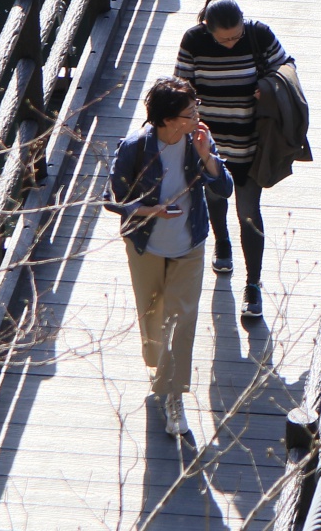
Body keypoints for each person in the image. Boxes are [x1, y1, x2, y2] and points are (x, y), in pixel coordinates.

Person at [103, 76, 232, 438]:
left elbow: (224, 187)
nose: (197, 117)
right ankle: (159, 369)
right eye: (190, 113)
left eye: (195, 110)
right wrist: (150, 210)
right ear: (167, 119)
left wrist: (207, 157)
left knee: (181, 320)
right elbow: (111, 197)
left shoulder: (198, 142)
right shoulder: (134, 148)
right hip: (145, 245)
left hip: (189, 244)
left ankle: (173, 397)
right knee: (152, 318)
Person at [175, 0, 291, 323]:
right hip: (210, 143)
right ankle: (222, 243)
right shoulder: (193, 42)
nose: (231, 43)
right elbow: (181, 85)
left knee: (248, 212)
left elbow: (286, 66)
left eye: (236, 36)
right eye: (224, 39)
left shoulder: (259, 34)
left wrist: (268, 85)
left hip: (252, 142)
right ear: (207, 29)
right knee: (214, 194)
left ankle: (252, 286)